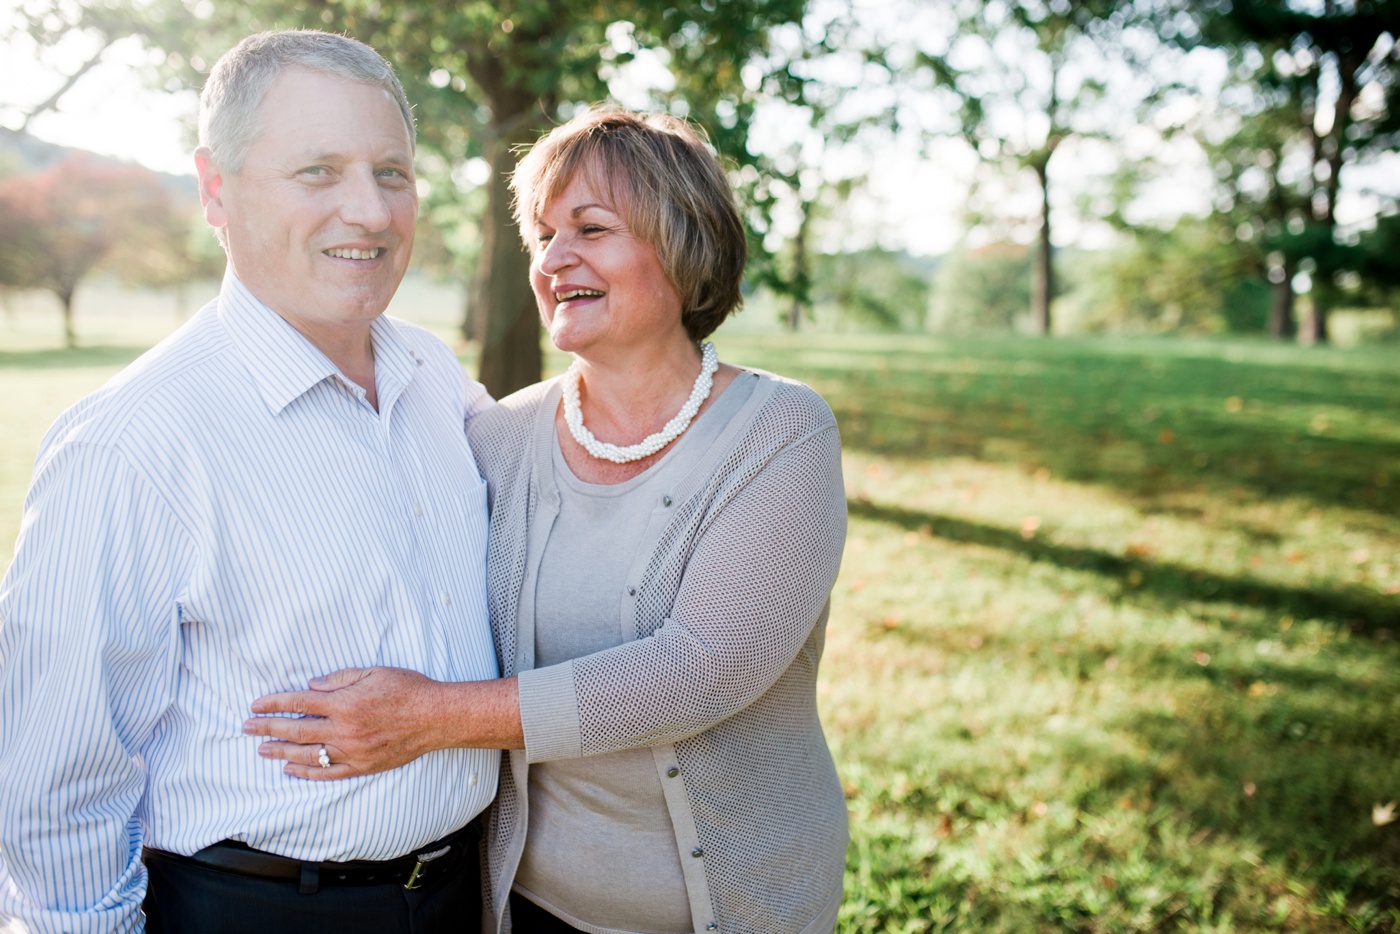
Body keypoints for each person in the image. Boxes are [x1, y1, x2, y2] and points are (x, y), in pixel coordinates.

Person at [245, 106, 850, 934]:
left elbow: (705, 669)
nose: (554, 261)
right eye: (541, 236)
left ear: (681, 240)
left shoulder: (780, 430)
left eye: (590, 230)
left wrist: (427, 717)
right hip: (524, 908)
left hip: (738, 906)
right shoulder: (499, 436)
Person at [0, 30, 499, 933]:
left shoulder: (436, 379)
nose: (373, 212)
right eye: (319, 172)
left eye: (392, 172)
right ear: (216, 191)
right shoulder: (133, 442)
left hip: (460, 895)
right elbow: (57, 781)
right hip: (258, 910)